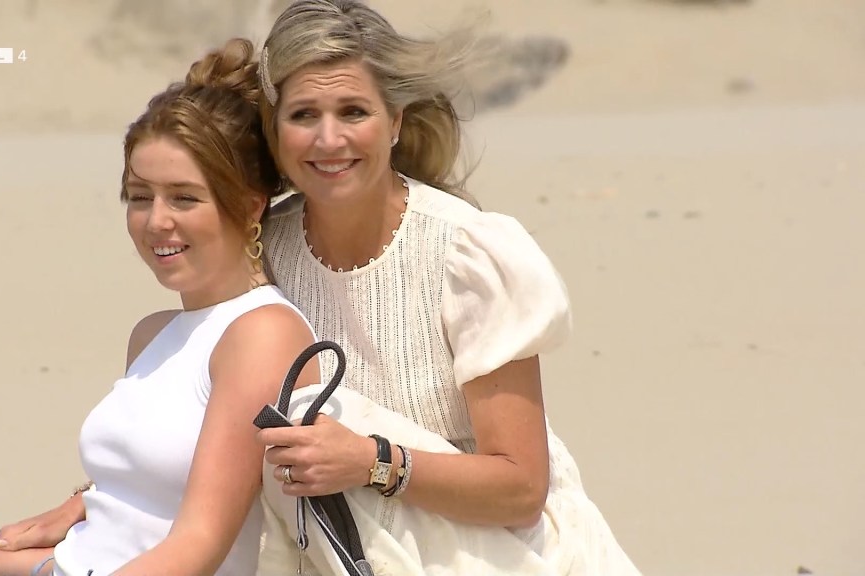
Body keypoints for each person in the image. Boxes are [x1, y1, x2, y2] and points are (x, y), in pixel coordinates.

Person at [250, 0, 641, 574]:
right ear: (276, 129)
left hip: (505, 553)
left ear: (395, 121)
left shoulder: (468, 253)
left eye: (353, 111)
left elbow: (521, 489)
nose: (329, 139)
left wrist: (370, 461)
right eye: (304, 114)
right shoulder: (260, 252)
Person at [0, 37, 320, 576]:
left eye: (184, 197)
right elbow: (129, 515)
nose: (156, 221)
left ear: (251, 206)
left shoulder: (261, 335)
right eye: (140, 196)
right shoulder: (152, 334)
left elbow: (199, 546)